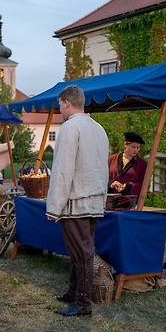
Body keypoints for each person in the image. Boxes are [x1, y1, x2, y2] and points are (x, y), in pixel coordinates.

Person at [46, 85, 109, 317]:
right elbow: (104, 169)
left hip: (76, 203)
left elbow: (62, 169)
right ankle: (73, 293)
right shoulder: (99, 129)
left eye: (59, 105)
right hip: (93, 201)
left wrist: (54, 206)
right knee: (80, 252)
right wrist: (102, 197)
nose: (59, 108)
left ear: (65, 102)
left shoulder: (70, 128)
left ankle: (82, 305)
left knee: (82, 255)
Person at [107, 131, 147, 209]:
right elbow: (102, 177)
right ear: (125, 144)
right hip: (109, 201)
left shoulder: (142, 164)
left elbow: (143, 184)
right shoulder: (111, 159)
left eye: (138, 147)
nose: (136, 150)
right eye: (133, 147)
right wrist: (111, 184)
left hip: (128, 203)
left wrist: (127, 186)